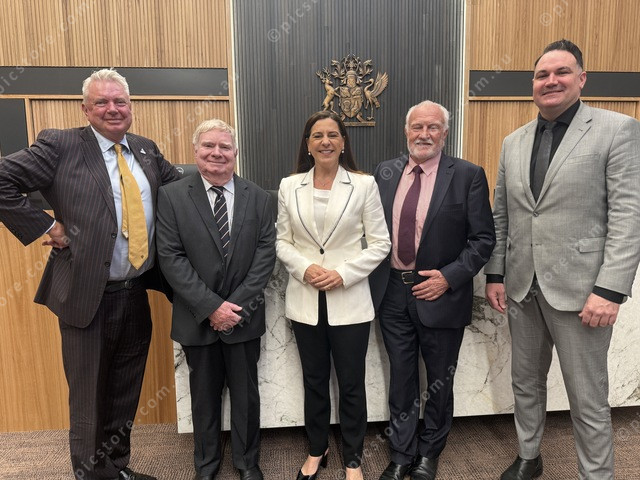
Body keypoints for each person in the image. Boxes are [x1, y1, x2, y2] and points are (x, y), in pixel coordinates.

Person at [0, 69, 179, 479]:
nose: (112, 109)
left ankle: (116, 467)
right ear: (85, 109)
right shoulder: (60, 145)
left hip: (135, 291)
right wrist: (47, 226)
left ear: (131, 106)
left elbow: (182, 192)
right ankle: (90, 474)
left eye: (120, 101)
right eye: (102, 102)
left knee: (125, 389)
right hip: (86, 295)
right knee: (88, 397)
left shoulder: (146, 150)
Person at [485, 39, 640, 480]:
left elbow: (629, 215)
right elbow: (503, 215)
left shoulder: (617, 130)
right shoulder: (513, 142)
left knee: (587, 397)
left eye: (562, 72)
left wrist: (610, 290)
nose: (550, 81)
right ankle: (529, 456)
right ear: (532, 84)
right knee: (525, 383)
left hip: (584, 294)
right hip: (522, 287)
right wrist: (495, 273)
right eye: (542, 75)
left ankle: (596, 475)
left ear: (582, 79)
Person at [370, 100, 495, 480]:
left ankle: (429, 452)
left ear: (445, 133)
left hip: (441, 293)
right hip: (392, 292)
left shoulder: (468, 175)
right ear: (406, 131)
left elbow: (483, 239)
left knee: (439, 380)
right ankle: (401, 452)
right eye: (417, 127)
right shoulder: (385, 174)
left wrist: (448, 277)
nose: (424, 134)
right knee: (401, 377)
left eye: (433, 127)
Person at [156, 119, 275, 480]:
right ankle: (206, 465)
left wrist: (233, 308)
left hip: (243, 317)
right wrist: (211, 308)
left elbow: (265, 256)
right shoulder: (172, 196)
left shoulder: (260, 197)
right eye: (209, 145)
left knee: (246, 396)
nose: (216, 153)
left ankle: (247, 463)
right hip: (197, 318)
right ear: (196, 151)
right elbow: (171, 257)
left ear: (235, 153)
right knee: (203, 397)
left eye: (224, 146)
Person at [276, 110, 391, 480]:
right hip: (305, 299)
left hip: (349, 300)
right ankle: (317, 448)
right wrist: (305, 268)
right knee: (314, 381)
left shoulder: (364, 185)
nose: (325, 141)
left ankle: (353, 458)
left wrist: (343, 273)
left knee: (352, 383)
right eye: (317, 135)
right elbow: (281, 242)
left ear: (343, 143)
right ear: (307, 145)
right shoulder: (289, 186)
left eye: (332, 135)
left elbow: (381, 243)